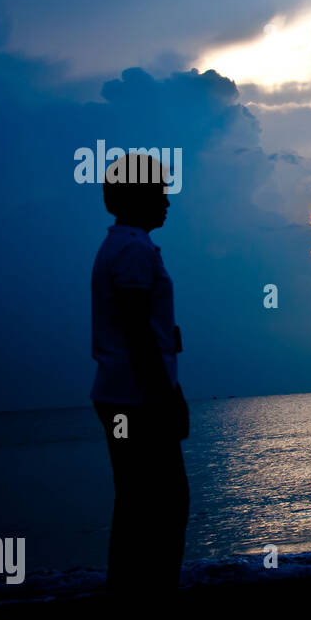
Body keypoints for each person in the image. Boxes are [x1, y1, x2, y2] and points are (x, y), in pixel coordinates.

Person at [90, 153, 189, 593]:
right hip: (136, 398)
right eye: (159, 191)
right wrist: (163, 394)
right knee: (165, 500)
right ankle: (151, 593)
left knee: (138, 499)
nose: (166, 200)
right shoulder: (132, 248)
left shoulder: (129, 244)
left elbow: (145, 326)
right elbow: (135, 327)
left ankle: (132, 592)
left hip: (128, 393)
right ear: (137, 194)